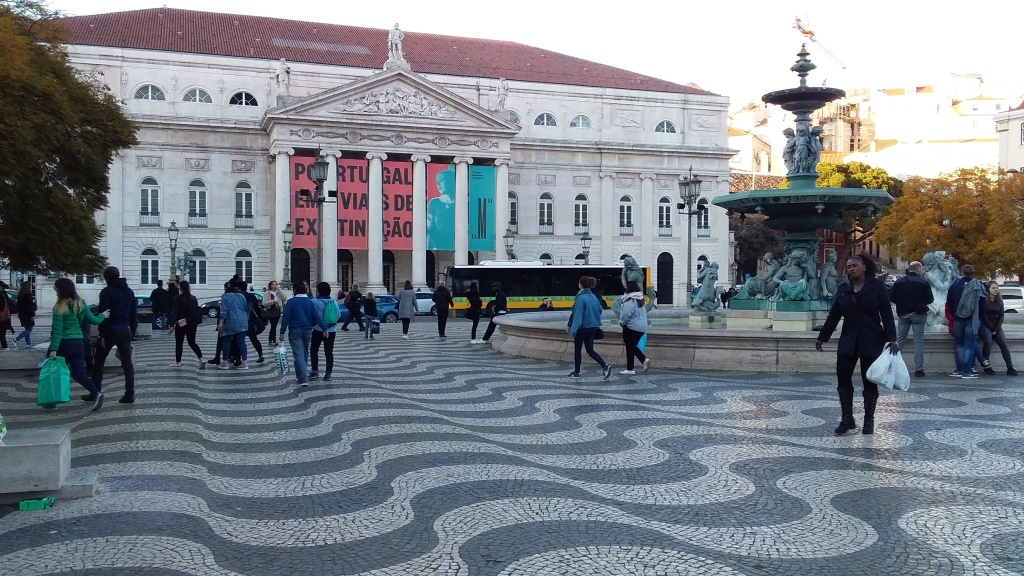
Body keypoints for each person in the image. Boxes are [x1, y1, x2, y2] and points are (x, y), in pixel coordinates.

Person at [815, 255, 898, 435]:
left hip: (872, 338)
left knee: (870, 380)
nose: (851, 269)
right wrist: (823, 337)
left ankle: (869, 420)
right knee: (843, 378)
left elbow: (886, 314)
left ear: (864, 267)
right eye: (849, 266)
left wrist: (892, 338)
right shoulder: (843, 288)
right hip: (849, 339)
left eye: (854, 265)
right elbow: (834, 315)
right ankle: (847, 419)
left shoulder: (877, 287)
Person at [45, 278, 108, 411]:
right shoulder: (80, 303)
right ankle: (96, 393)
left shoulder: (59, 306)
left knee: (56, 373)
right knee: (78, 373)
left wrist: (53, 349)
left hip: (64, 344)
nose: (54, 289)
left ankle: (51, 403)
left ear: (61, 289)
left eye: (56, 287)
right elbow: (94, 320)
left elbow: (57, 330)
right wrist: (102, 315)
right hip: (79, 343)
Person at [90, 267, 138, 404]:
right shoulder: (129, 291)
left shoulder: (106, 292)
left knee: (99, 361)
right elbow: (133, 313)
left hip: (111, 330)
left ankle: (95, 392)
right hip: (125, 329)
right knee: (127, 362)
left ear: (106, 277)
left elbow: (104, 314)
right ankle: (129, 394)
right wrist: (132, 331)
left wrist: (102, 334)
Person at [945, 264, 991, 379]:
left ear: (962, 272)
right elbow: (982, 306)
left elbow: (949, 302)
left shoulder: (954, 285)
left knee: (959, 344)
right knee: (969, 345)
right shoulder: (978, 285)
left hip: (958, 319)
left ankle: (959, 369)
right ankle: (967, 371)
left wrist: (955, 314)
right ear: (973, 273)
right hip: (972, 318)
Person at [888, 261, 933, 377]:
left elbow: (892, 298)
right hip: (918, 314)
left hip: (903, 314)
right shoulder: (923, 282)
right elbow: (930, 299)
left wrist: (902, 303)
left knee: (900, 340)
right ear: (918, 269)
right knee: (918, 341)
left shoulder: (899, 282)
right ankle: (919, 369)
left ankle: (894, 367)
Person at [567, 276, 612, 380]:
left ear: (581, 285)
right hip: (593, 327)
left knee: (577, 350)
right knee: (590, 350)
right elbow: (599, 310)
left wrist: (573, 330)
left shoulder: (580, 298)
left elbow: (578, 316)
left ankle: (577, 372)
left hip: (582, 327)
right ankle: (604, 365)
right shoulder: (593, 297)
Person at [279, 281, 320, 387]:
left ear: (294, 290)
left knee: (298, 354)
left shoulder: (291, 302)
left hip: (295, 330)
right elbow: (316, 316)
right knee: (304, 353)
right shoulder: (310, 302)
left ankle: (303, 378)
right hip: (307, 330)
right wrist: (323, 327)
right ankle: (301, 376)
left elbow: (286, 318)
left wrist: (282, 331)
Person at [981, 281, 1017, 376]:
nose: (996, 290)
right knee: (988, 341)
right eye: (993, 288)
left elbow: (1001, 316)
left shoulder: (1000, 301)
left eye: (997, 288)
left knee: (1003, 344)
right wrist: (991, 328)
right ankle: (987, 366)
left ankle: (1010, 367)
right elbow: (983, 315)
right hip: (986, 325)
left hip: (996, 326)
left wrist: (996, 329)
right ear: (988, 289)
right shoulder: (983, 300)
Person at [168, 280, 205, 369]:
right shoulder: (193, 298)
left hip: (181, 323)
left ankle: (178, 362)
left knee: (179, 343)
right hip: (192, 323)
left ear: (181, 288)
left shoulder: (178, 298)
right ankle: (201, 358)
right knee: (192, 342)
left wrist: (171, 324)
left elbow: (175, 312)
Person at [618, 280, 650, 375]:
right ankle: (643, 360)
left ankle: (630, 368)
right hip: (642, 327)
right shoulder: (641, 299)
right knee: (632, 346)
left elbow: (626, 314)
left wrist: (622, 322)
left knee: (629, 347)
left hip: (632, 326)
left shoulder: (631, 300)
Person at [217, 279, 250, 370]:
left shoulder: (226, 296)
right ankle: (244, 362)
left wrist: (220, 322)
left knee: (226, 341)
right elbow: (246, 308)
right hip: (242, 320)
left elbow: (224, 310)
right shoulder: (241, 295)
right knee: (241, 341)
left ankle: (225, 362)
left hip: (230, 320)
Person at [310, 282, 338, 381]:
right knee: (329, 352)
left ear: (319, 291)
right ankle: (328, 374)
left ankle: (315, 371)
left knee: (314, 350)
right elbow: (338, 315)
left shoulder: (315, 302)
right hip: (331, 330)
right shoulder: (334, 302)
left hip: (318, 329)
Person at [240, 280, 266, 364]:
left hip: (243, 320)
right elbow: (257, 307)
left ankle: (236, 358)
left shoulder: (240, 296)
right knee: (254, 339)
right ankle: (260, 354)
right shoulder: (251, 295)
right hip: (253, 320)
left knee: (238, 339)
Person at [262, 280, 287, 346]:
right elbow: (264, 303)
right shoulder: (267, 293)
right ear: (270, 285)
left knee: (274, 326)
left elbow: (284, 298)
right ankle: (272, 340)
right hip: (270, 310)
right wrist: (272, 302)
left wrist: (280, 291)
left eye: (275, 284)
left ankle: (272, 340)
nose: (274, 286)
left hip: (277, 310)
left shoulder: (278, 292)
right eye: (273, 284)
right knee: (273, 325)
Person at [13, 280, 36, 349]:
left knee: (27, 329)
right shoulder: (28, 295)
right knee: (29, 330)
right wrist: (32, 315)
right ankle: (16, 339)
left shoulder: (20, 295)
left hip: (22, 314)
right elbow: (30, 307)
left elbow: (18, 306)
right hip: (28, 315)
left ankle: (28, 344)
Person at [0, 281, 12, 349]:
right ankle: (5, 347)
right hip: (4, 318)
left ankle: (4, 347)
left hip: (2, 317)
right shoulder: (4, 294)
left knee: (2, 335)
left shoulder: (2, 294)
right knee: (2, 335)